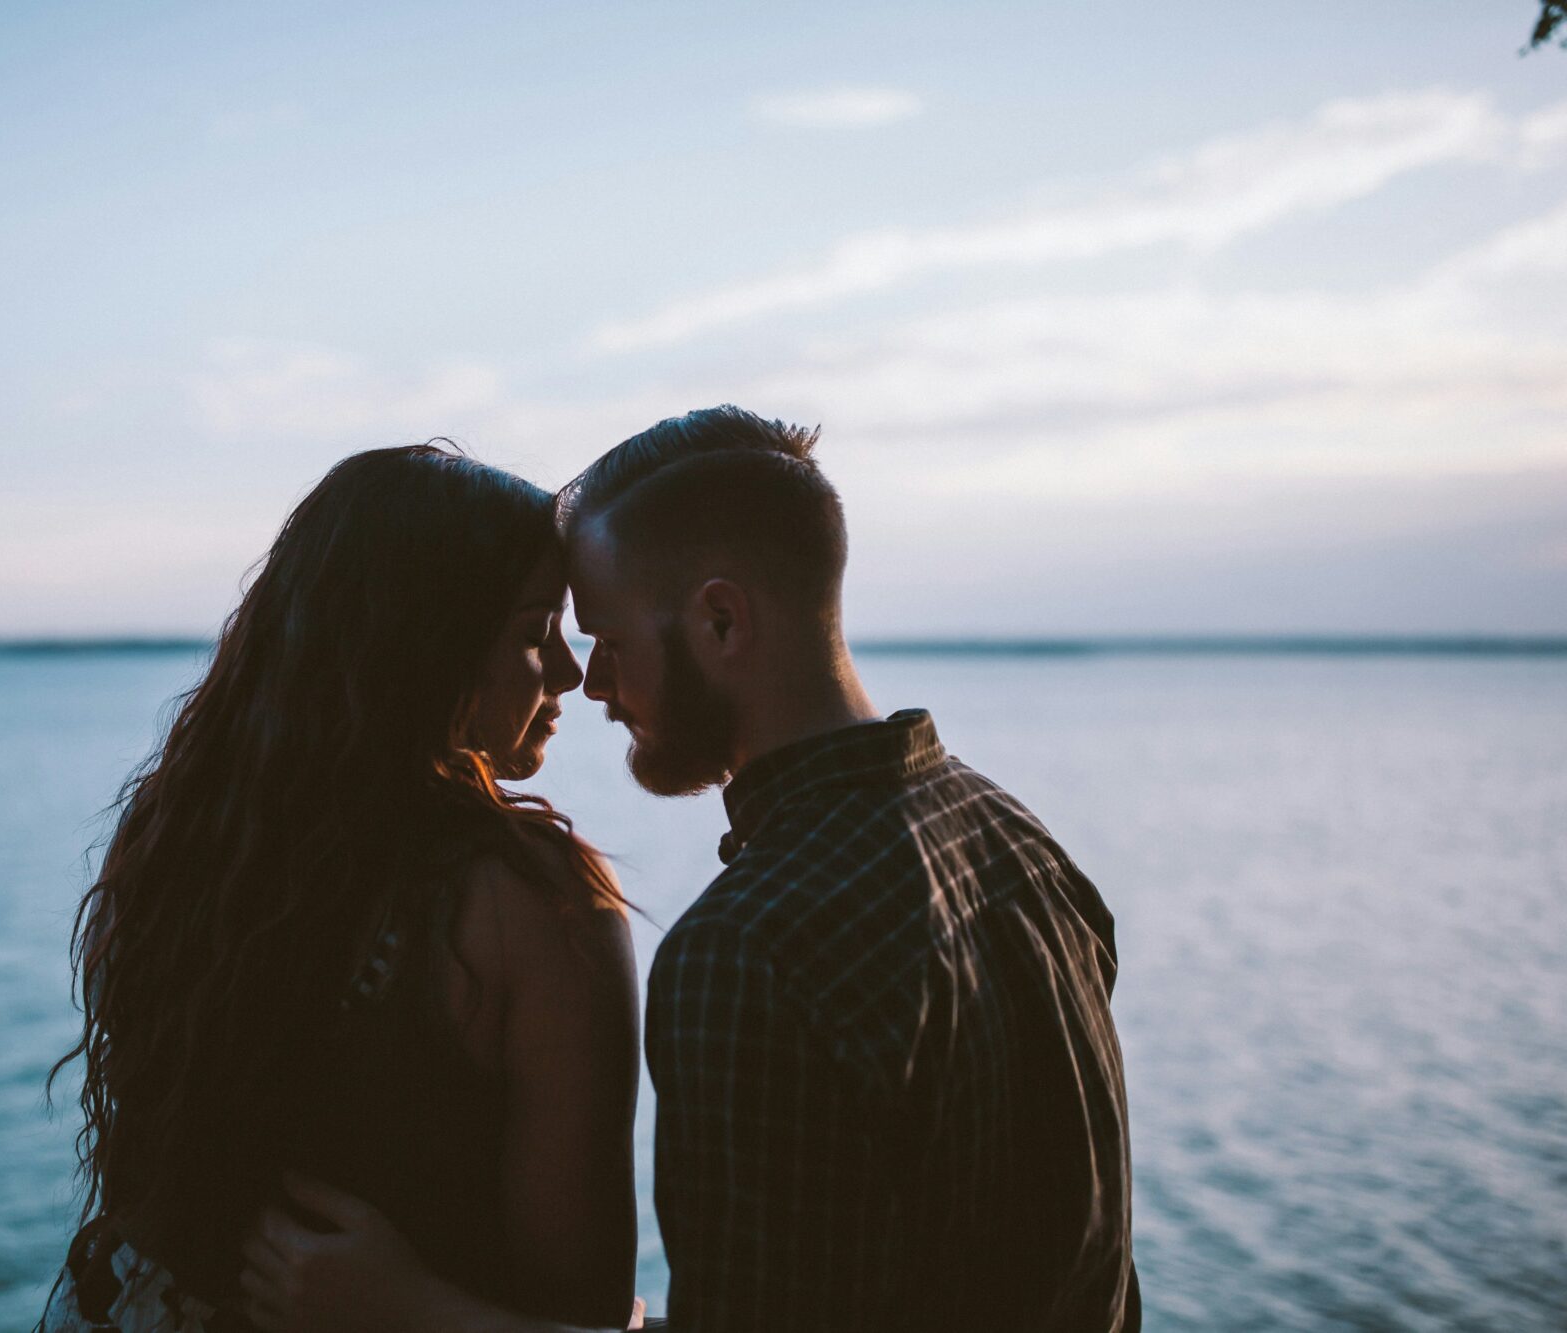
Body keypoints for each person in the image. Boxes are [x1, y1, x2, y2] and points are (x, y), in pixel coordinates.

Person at [239, 407, 1140, 1332]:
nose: (589, 684)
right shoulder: (1023, 848)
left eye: (608, 639)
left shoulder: (752, 949)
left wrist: (410, 1309)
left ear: (719, 620)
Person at [41, 444, 642, 1333]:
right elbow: (586, 1307)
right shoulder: (536, 905)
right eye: (532, 630)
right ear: (424, 645)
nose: (565, 673)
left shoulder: (189, 844)